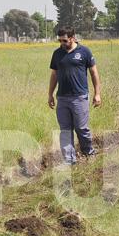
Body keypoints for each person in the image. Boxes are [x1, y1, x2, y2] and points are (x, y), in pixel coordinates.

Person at [47, 27, 102, 165]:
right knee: (65, 130)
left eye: (64, 40)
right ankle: (69, 160)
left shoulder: (84, 52)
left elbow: (94, 73)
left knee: (81, 128)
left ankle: (88, 152)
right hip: (62, 98)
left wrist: (97, 94)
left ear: (72, 38)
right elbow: (54, 75)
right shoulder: (57, 54)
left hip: (79, 97)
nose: (62, 43)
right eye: (59, 40)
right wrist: (50, 94)